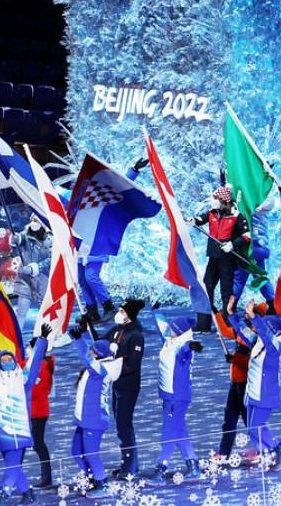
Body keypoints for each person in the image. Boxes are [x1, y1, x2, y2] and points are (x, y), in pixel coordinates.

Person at [0, 323, 51, 504]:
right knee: (14, 466)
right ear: (0, 364)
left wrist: (42, 340)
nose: (7, 361)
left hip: (20, 431)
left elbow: (35, 362)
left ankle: (2, 496)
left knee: (12, 466)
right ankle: (28, 494)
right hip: (3, 432)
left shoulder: (25, 381)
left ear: (15, 361)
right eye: (4, 360)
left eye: (10, 358)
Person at [77, 157, 147, 321]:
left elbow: (119, 187)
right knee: (82, 279)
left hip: (98, 243)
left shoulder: (103, 198)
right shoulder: (77, 197)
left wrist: (133, 171)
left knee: (91, 276)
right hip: (80, 243)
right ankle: (92, 311)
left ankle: (108, 306)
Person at [228, 302, 281, 470]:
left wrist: (253, 316)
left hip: (265, 395)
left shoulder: (274, 348)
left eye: (262, 327)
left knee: (257, 427)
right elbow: (243, 331)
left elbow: (264, 332)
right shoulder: (258, 342)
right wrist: (231, 314)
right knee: (252, 429)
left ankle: (280, 449)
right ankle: (266, 457)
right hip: (253, 392)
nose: (257, 329)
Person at [66, 324, 122, 498]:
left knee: (91, 454)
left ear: (97, 355)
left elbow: (87, 358)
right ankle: (92, 478)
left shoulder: (100, 370)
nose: (90, 352)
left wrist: (78, 340)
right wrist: (83, 333)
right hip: (84, 418)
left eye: (93, 351)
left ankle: (102, 483)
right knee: (76, 452)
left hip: (94, 419)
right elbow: (92, 351)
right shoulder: (100, 364)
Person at [148, 312, 203, 482]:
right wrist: (155, 311)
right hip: (168, 395)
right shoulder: (170, 340)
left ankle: (161, 469)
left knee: (169, 433)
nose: (169, 330)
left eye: (173, 329)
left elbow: (186, 349)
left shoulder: (182, 346)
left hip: (177, 396)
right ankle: (193, 465)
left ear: (179, 332)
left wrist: (192, 346)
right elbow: (162, 325)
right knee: (179, 430)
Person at [193, 185, 250, 333]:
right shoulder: (212, 213)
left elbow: (247, 236)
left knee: (226, 292)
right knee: (206, 288)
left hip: (227, 259)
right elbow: (200, 219)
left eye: (216, 198)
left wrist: (232, 244)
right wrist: (192, 220)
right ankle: (203, 324)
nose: (213, 201)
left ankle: (227, 323)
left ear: (224, 201)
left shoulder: (236, 216)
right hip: (213, 258)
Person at [105, 298, 145, 479]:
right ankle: (127, 463)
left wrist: (113, 368)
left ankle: (130, 467)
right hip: (117, 383)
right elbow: (101, 343)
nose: (119, 313)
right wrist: (86, 326)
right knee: (121, 426)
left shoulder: (136, 335)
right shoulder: (118, 330)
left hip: (128, 386)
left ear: (130, 314)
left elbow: (133, 365)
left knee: (124, 425)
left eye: (122, 311)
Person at [213, 301, 254, 460]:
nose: (245, 316)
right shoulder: (242, 332)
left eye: (248, 314)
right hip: (235, 383)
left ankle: (264, 448)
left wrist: (234, 359)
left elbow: (252, 363)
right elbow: (224, 331)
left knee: (250, 421)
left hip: (246, 385)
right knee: (229, 419)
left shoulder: (256, 338)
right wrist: (216, 314)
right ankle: (224, 453)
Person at [231, 196, 277, 308]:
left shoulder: (248, 204)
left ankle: (230, 307)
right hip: (261, 246)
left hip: (250, 247)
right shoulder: (265, 201)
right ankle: (273, 303)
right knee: (260, 277)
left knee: (239, 279)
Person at [10, 214, 51, 326]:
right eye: (33, 220)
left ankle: (50, 333)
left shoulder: (50, 238)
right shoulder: (25, 235)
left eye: (37, 220)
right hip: (25, 278)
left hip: (44, 279)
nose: (34, 222)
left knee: (47, 310)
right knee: (21, 309)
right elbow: (16, 248)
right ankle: (17, 334)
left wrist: (36, 267)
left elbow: (52, 258)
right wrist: (14, 241)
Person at [27, 337, 55, 489]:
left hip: (38, 411)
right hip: (34, 410)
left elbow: (37, 391)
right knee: (36, 444)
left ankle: (46, 478)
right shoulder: (36, 364)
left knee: (38, 444)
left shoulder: (42, 367)